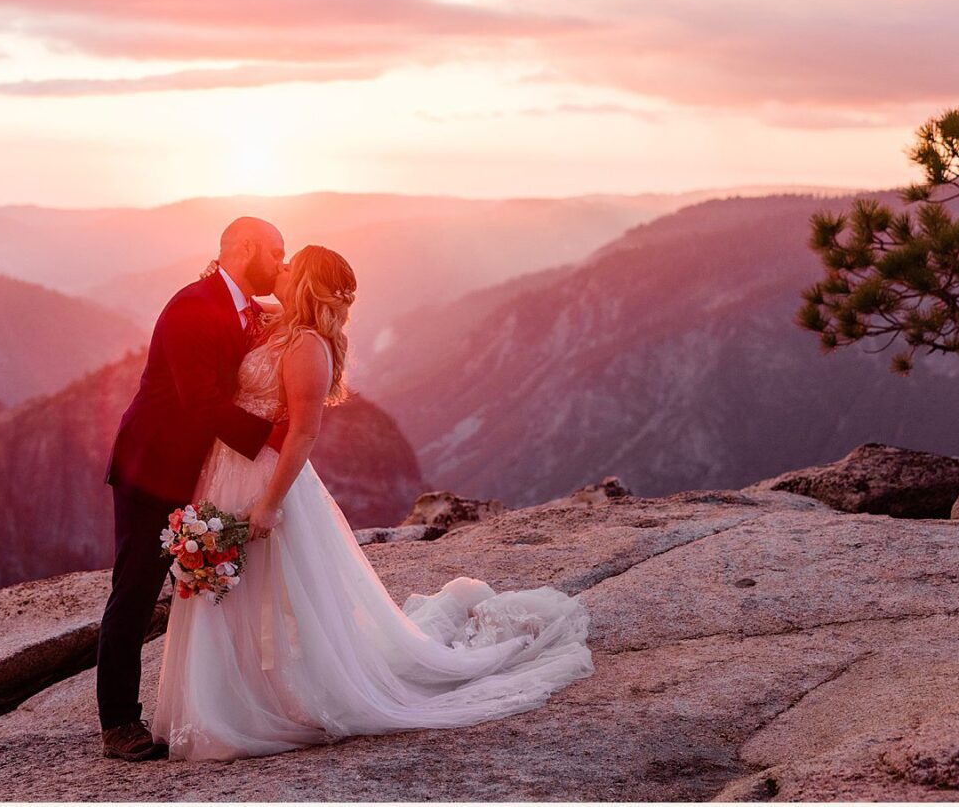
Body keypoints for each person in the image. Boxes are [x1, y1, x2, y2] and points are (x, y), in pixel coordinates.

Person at [152, 244, 594, 761]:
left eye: (291, 265)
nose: (282, 267)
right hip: (224, 469)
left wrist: (270, 503)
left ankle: (248, 705)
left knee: (262, 586)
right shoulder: (278, 324)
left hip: (266, 478)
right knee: (228, 588)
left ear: (307, 283)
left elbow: (303, 434)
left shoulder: (307, 348)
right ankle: (216, 700)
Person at [96, 216, 291, 761]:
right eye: (276, 252)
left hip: (199, 472)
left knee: (208, 587)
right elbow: (199, 401)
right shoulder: (192, 306)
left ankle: (213, 701)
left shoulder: (238, 307)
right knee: (135, 591)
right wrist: (274, 436)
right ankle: (118, 725)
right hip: (152, 469)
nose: (281, 263)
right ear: (245, 248)